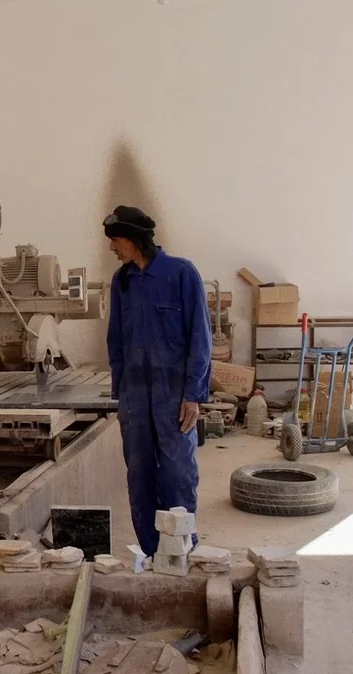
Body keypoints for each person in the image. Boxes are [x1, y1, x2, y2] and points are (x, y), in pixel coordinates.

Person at [104, 206, 211, 557]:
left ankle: (181, 551)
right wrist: (121, 394)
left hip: (173, 396)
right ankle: (152, 553)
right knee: (140, 476)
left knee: (178, 473)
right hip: (135, 397)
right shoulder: (122, 282)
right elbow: (116, 340)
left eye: (116, 240)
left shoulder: (181, 273)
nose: (112, 247)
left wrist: (193, 394)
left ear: (135, 240)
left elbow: (200, 338)